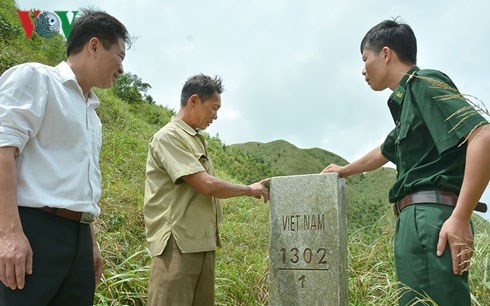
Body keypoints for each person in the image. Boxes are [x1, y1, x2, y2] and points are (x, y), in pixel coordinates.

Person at [322, 19, 489, 306]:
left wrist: (460, 218)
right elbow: (384, 151)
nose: (363, 69)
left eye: (365, 58)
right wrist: (344, 170)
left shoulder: (424, 83)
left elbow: (483, 136)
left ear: (385, 54)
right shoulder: (408, 103)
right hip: (415, 220)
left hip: (432, 218)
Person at [0, 9, 130, 306]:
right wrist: (8, 234)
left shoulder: (92, 114)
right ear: (94, 45)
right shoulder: (36, 79)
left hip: (78, 238)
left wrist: (90, 243)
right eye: (120, 56)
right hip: (34, 230)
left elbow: (80, 182)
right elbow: (3, 149)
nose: (122, 68)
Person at [144, 74, 270, 306]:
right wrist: (249, 190)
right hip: (177, 245)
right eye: (213, 108)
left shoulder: (195, 139)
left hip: (201, 243)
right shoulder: (169, 137)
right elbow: (206, 185)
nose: (216, 116)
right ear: (193, 101)